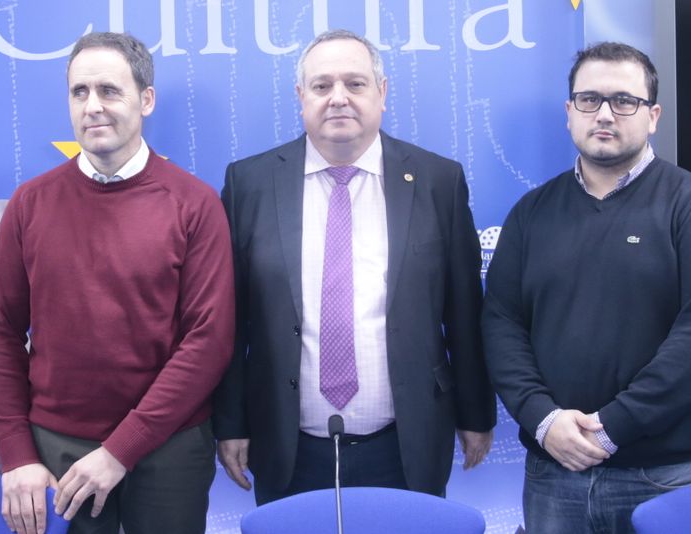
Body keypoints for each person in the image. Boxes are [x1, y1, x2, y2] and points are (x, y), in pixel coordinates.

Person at [212, 29, 496, 505]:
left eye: (356, 84)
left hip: (406, 444)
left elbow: (464, 310)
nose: (338, 98)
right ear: (301, 97)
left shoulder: (437, 180)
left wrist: (475, 414)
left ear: (381, 93)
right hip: (286, 446)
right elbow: (230, 321)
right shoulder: (250, 183)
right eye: (322, 86)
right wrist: (231, 422)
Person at [482, 42, 691, 533]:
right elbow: (502, 325)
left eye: (624, 101)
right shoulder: (532, 213)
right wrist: (543, 420)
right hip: (552, 475)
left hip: (665, 479)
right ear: (569, 113)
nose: (604, 113)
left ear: (653, 115)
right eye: (589, 99)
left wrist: (611, 429)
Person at [0, 32, 234, 534]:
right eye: (80, 92)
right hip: (55, 451)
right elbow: (1, 332)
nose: (92, 106)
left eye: (109, 91)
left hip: (169, 448)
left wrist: (121, 449)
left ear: (146, 99)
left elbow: (208, 342)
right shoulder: (30, 204)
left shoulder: (195, 205)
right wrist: (16, 455)